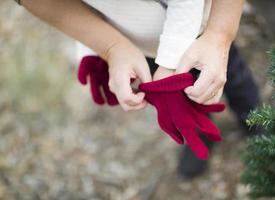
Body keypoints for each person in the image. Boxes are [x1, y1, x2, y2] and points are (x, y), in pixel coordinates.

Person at [18, 0, 260, 178]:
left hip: (195, 32)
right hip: (136, 46)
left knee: (233, 77)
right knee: (180, 106)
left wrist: (170, 61)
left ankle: (253, 118)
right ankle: (199, 135)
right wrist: (100, 49)